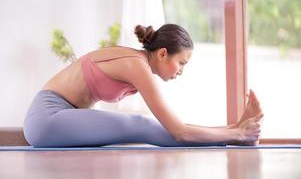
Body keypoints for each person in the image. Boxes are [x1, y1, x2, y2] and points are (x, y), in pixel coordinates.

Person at [23, 24, 263, 147]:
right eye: (181, 63)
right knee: (139, 124)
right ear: (161, 54)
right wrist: (236, 133)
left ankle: (235, 133)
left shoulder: (139, 62)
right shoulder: (136, 65)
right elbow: (178, 132)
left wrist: (234, 127)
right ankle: (237, 136)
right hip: (47, 118)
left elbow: (175, 126)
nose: (181, 70)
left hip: (58, 117)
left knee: (144, 124)